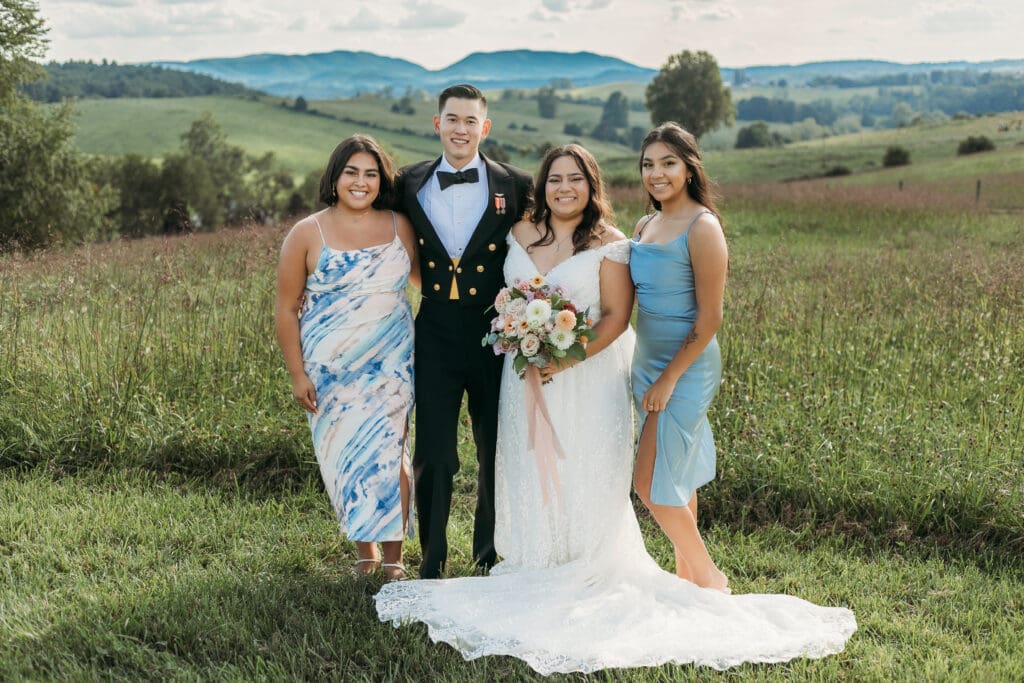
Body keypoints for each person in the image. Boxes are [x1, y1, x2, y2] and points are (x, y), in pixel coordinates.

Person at [375, 144, 856, 675]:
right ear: (542, 185)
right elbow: (490, 292)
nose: (564, 188)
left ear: (592, 185)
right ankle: (538, 556)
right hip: (526, 379)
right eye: (555, 179)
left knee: (586, 470)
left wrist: (564, 355)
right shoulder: (517, 233)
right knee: (529, 469)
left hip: (588, 378)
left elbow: (615, 319)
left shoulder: (614, 243)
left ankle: (609, 562)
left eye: (575, 179)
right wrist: (524, 338)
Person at [396, 84, 532, 579]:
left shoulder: (515, 185)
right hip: (433, 327)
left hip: (494, 332)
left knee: (494, 445)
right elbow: (367, 230)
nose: (460, 129)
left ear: (485, 127)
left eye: (470, 121)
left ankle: (487, 557)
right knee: (434, 452)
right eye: (452, 119)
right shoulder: (407, 182)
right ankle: (431, 561)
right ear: (437, 123)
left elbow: (552, 235)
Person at [275, 134, 419, 581]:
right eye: (351, 172)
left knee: (392, 454)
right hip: (329, 367)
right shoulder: (307, 232)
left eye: (371, 173)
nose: (361, 182)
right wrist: (297, 373)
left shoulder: (399, 225)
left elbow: (426, 283)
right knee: (346, 457)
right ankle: (366, 553)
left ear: (382, 180)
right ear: (335, 178)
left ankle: (393, 557)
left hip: (393, 361)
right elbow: (285, 306)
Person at [630, 121, 730, 591]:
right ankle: (686, 580)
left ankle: (710, 579)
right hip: (647, 361)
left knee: (648, 484)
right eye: (649, 164)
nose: (657, 173)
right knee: (677, 474)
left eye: (668, 163)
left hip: (685, 368)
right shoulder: (645, 224)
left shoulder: (702, 226)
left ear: (689, 168)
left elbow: (710, 317)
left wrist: (669, 378)